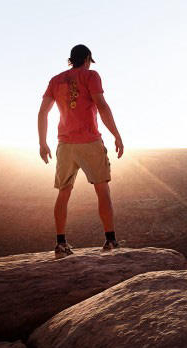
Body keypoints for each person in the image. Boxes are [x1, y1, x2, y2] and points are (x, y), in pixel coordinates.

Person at [37, 44, 124, 258]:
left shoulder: (55, 80)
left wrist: (42, 143)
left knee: (63, 193)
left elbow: (43, 113)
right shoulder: (91, 76)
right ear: (87, 59)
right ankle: (110, 240)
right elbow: (101, 106)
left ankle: (60, 243)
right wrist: (117, 135)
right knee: (102, 190)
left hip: (65, 144)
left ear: (70, 60)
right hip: (90, 141)